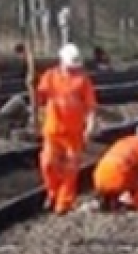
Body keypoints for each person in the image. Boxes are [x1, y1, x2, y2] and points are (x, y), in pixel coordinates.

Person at [36, 43, 97, 214]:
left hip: (74, 132)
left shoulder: (83, 80)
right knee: (48, 163)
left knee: (71, 169)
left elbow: (90, 105)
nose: (73, 70)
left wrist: (90, 125)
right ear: (62, 62)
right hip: (53, 130)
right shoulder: (50, 77)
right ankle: (53, 191)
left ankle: (64, 202)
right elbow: (39, 96)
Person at [93, 120, 138, 212]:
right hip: (118, 182)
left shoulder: (124, 140)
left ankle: (109, 201)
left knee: (128, 169)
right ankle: (134, 204)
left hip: (99, 181)